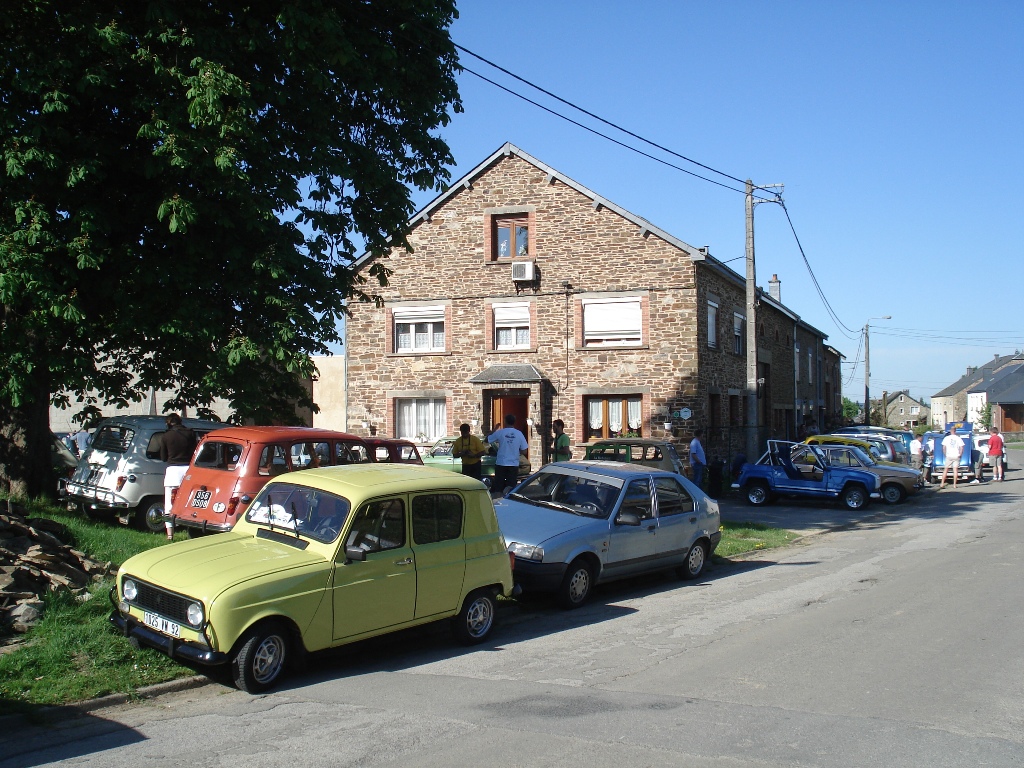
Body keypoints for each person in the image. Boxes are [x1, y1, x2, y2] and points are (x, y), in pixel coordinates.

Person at [160, 413, 196, 540]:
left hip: (173, 471)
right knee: (188, 501)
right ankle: (190, 531)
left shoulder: (166, 436)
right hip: (188, 471)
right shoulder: (190, 433)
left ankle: (170, 534)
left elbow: (163, 457)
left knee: (169, 504)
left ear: (169, 423)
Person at [488, 414, 528, 495]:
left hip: (501, 463)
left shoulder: (500, 432)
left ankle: (498, 500)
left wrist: (495, 428)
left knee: (498, 486)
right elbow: (524, 451)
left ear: (505, 421)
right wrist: (515, 451)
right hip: (513, 463)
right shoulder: (519, 434)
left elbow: (488, 439)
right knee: (511, 487)